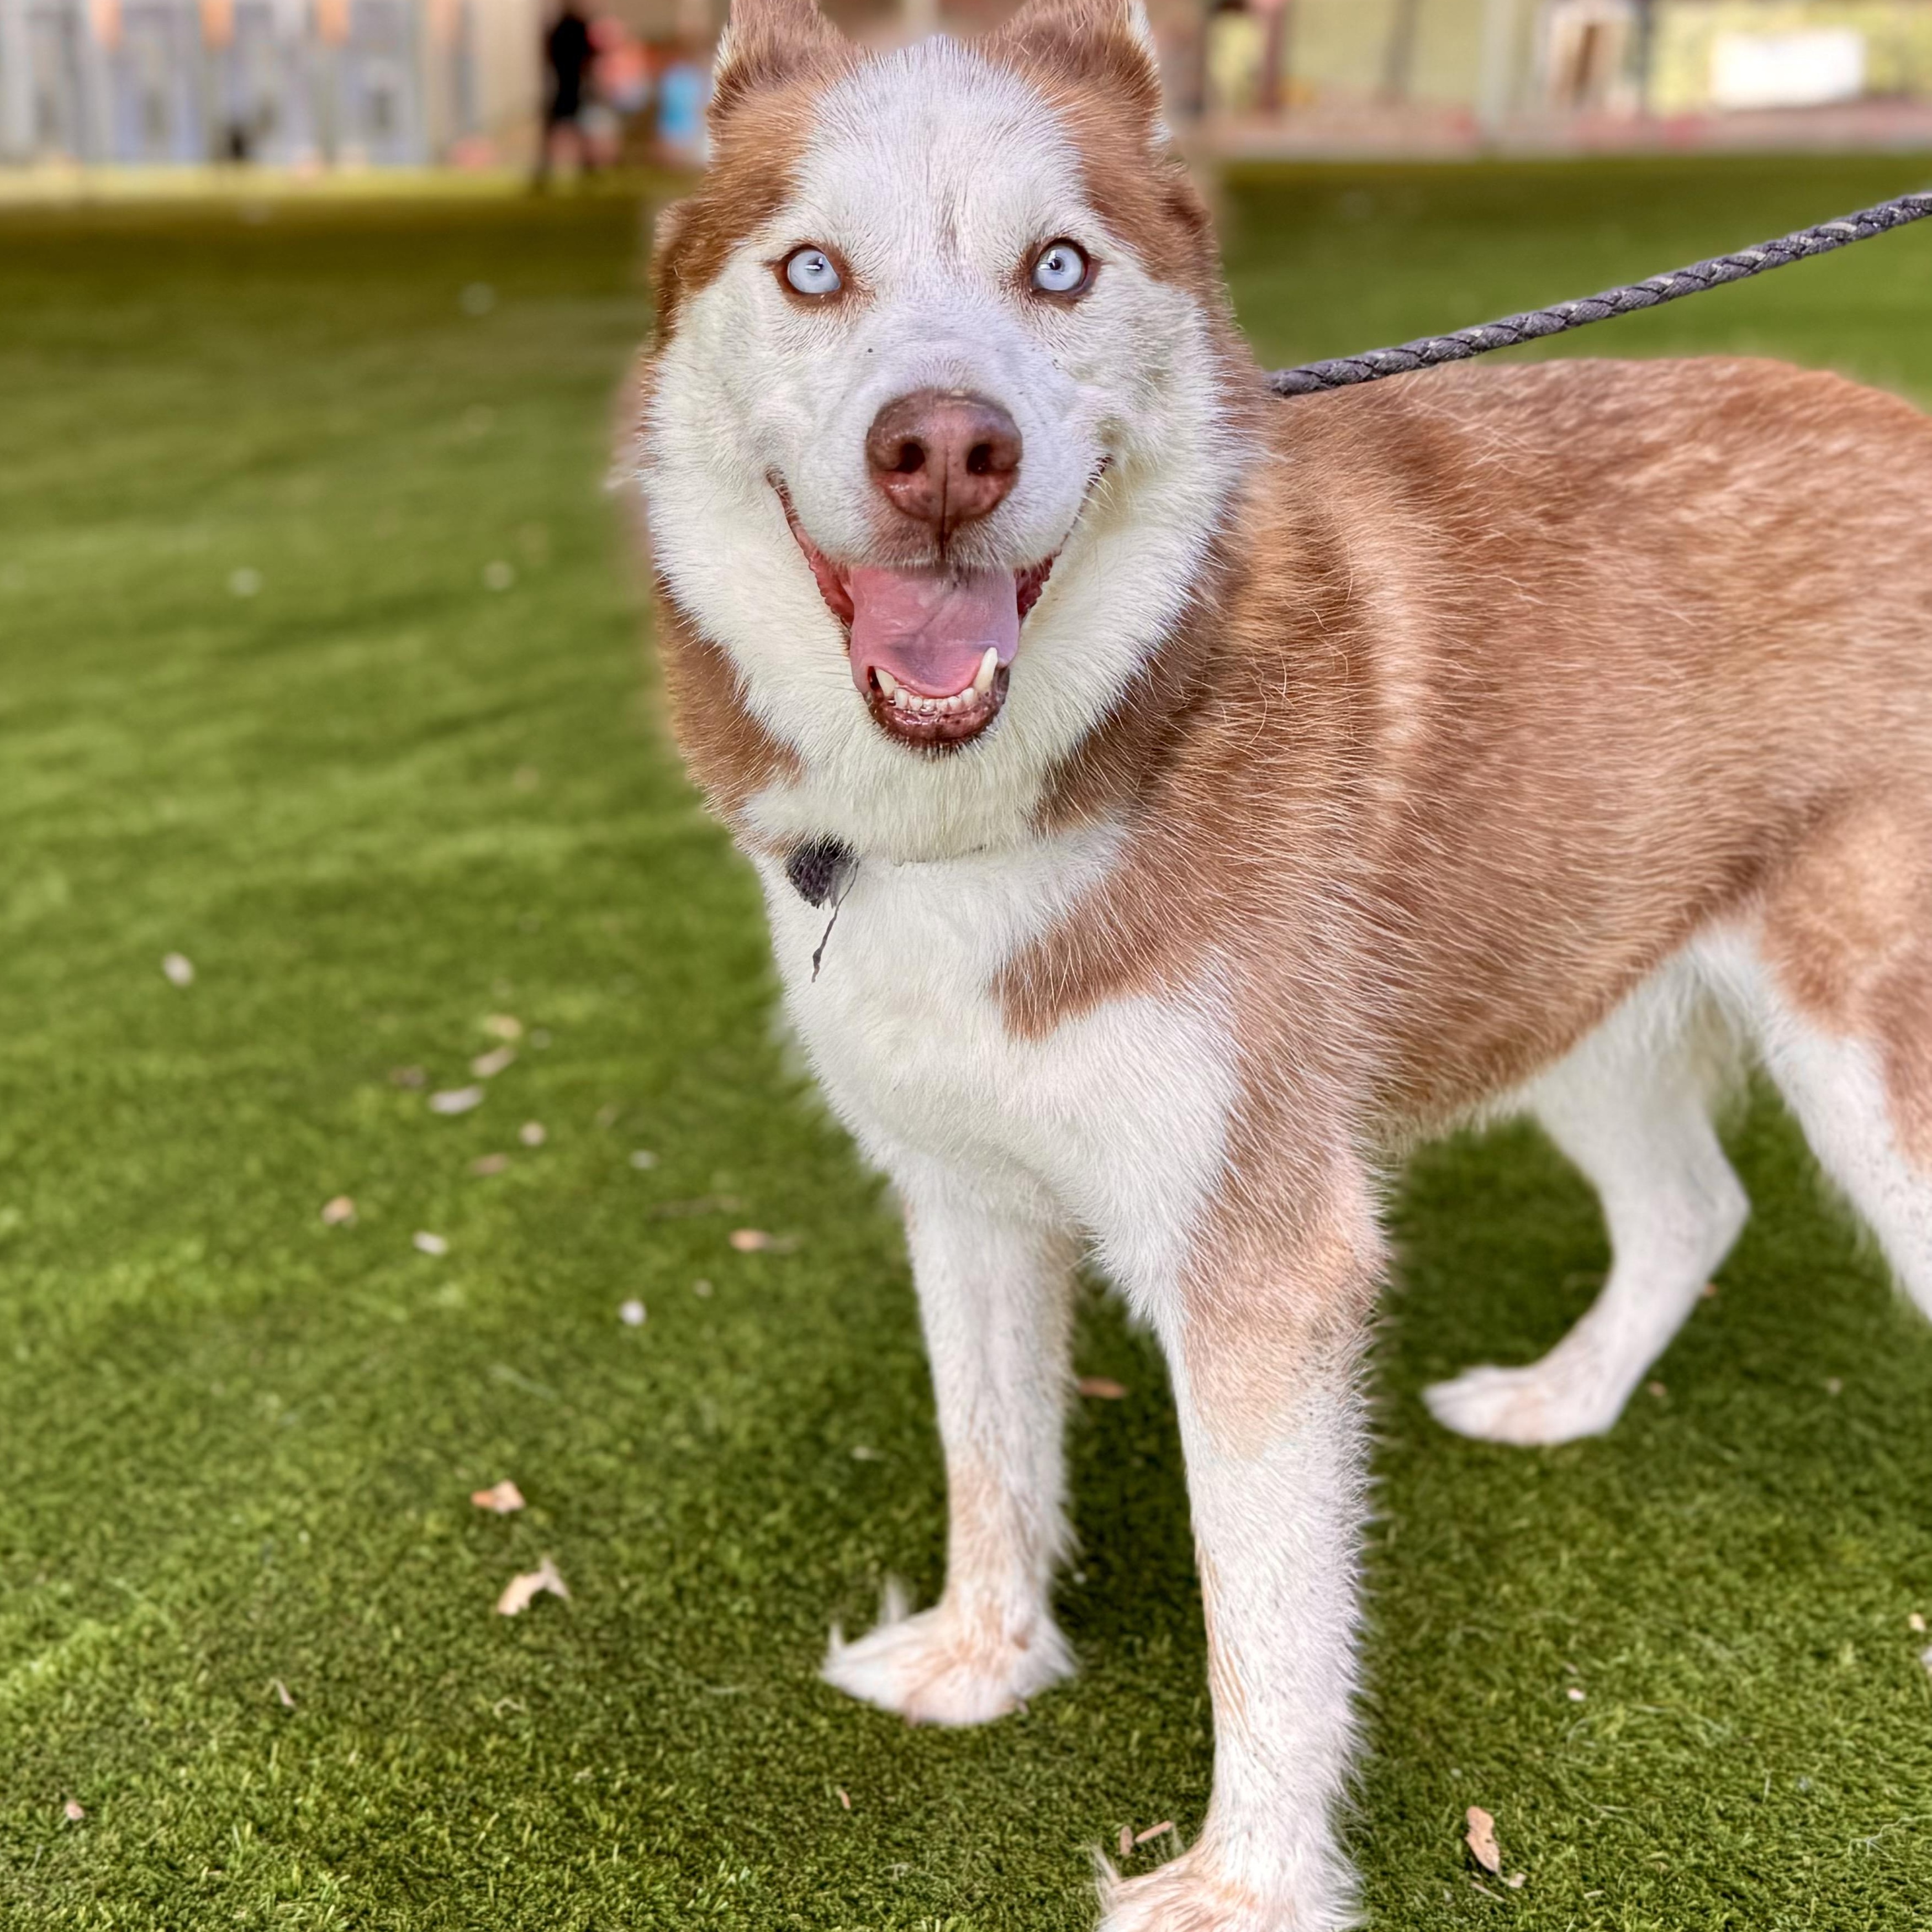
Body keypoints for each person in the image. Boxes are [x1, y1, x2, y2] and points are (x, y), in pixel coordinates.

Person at [534, 3, 597, 188]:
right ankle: (586, 169)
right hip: (573, 86)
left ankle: (551, 171)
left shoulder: (560, 27)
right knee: (577, 127)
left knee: (562, 128)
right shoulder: (578, 26)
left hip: (565, 85)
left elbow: (548, 53)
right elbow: (590, 55)